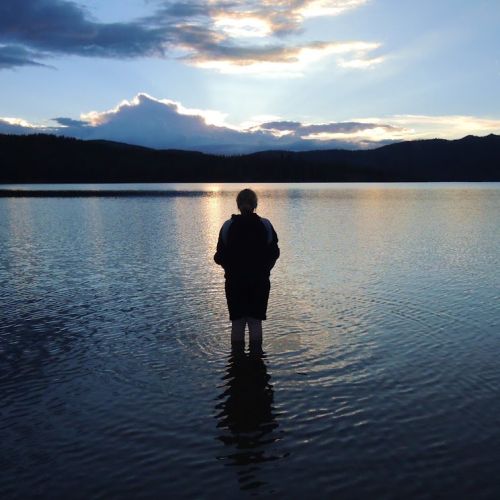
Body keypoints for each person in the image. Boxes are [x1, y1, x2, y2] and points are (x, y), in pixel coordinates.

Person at [214, 188, 280, 346]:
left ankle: (237, 362)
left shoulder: (227, 226)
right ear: (255, 204)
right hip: (260, 283)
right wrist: (266, 271)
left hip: (234, 283)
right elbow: (274, 253)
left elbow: (219, 257)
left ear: (238, 205)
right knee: (255, 322)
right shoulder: (265, 225)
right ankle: (256, 363)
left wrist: (229, 270)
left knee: (237, 323)